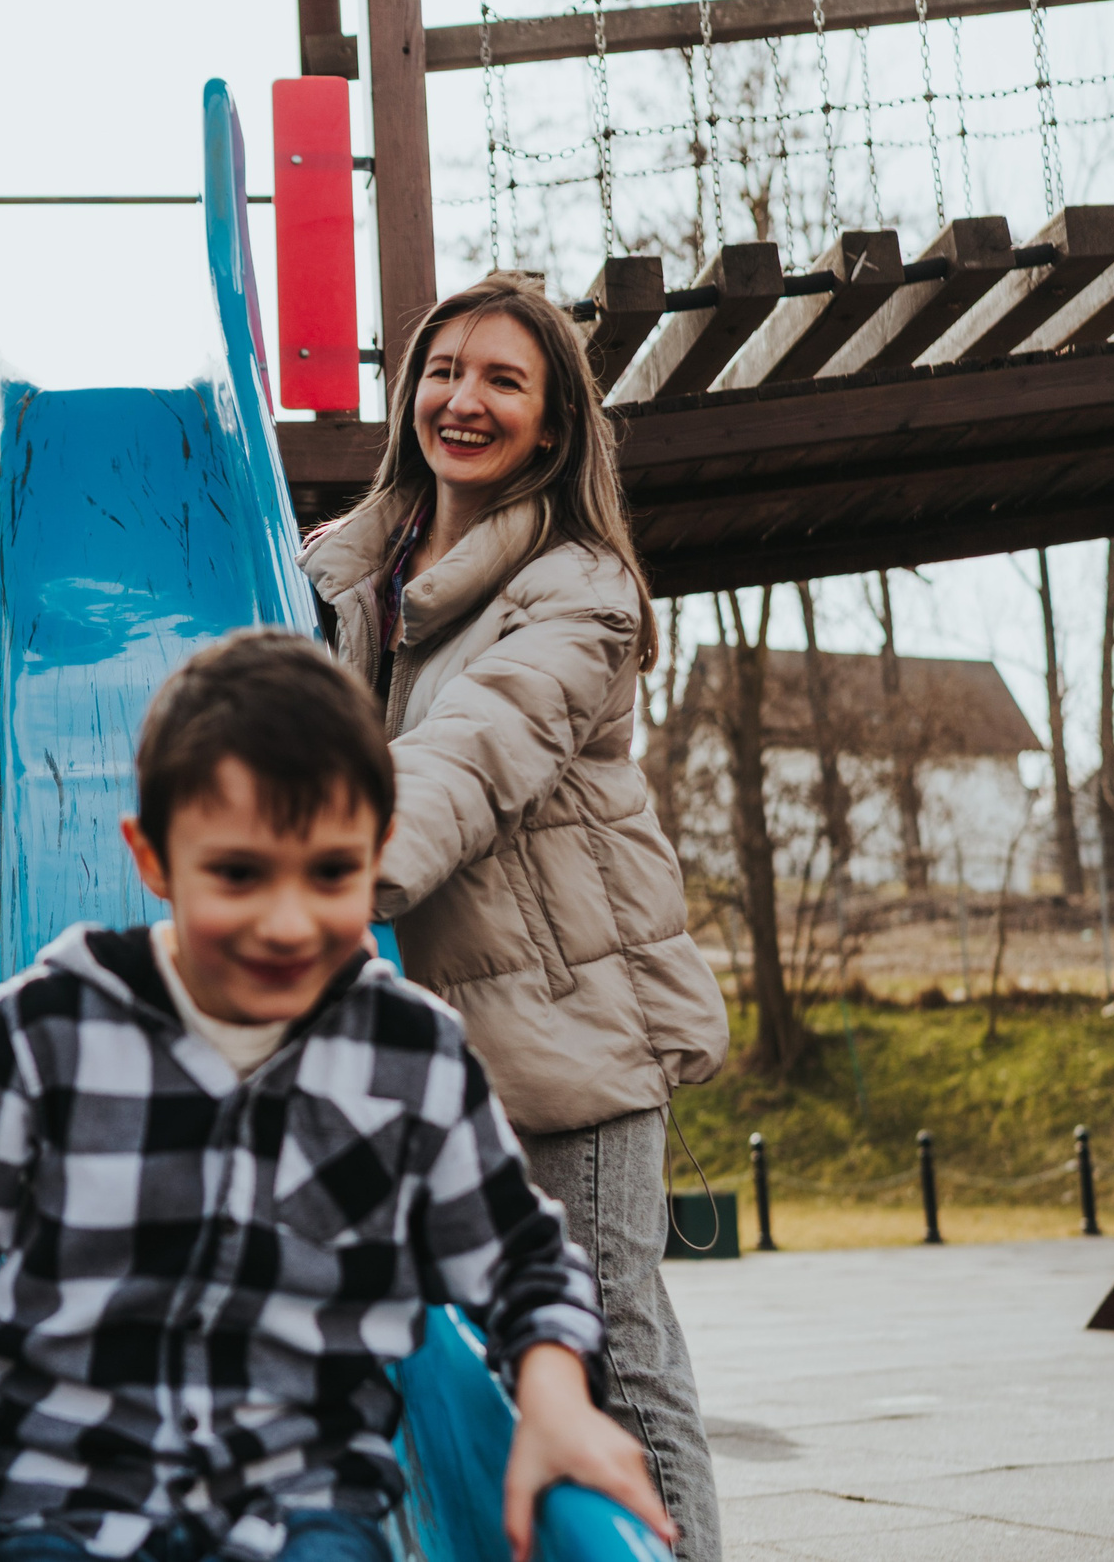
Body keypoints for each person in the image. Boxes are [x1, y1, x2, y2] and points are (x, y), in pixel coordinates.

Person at [0, 630, 677, 1562]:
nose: (288, 921)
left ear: (378, 849)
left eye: (331, 872)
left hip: (301, 1506)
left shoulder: (409, 1059)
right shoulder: (48, 1035)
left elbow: (526, 1264)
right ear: (151, 857)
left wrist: (552, 1399)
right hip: (65, 1498)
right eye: (238, 873)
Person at [297, 274, 731, 1562]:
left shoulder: (577, 589)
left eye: (501, 380)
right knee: (479, 1365)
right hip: (424, 1037)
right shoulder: (339, 575)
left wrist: (320, 884)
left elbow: (473, 752)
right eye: (442, 371)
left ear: (549, 427)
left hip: (567, 1035)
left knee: (605, 1350)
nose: (462, 400)